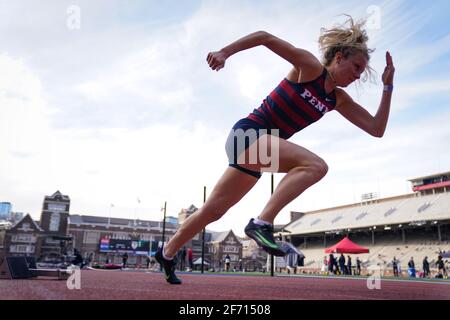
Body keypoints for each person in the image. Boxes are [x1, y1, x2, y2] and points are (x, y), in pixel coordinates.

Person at [155, 16, 395, 284]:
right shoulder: (310, 68)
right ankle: (262, 223)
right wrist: (225, 53)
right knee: (316, 166)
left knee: (212, 211)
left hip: (260, 152)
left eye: (362, 72)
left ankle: (166, 252)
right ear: (339, 57)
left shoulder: (336, 99)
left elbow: (376, 128)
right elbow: (264, 37)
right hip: (247, 135)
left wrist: (388, 86)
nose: (358, 75)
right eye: (356, 66)